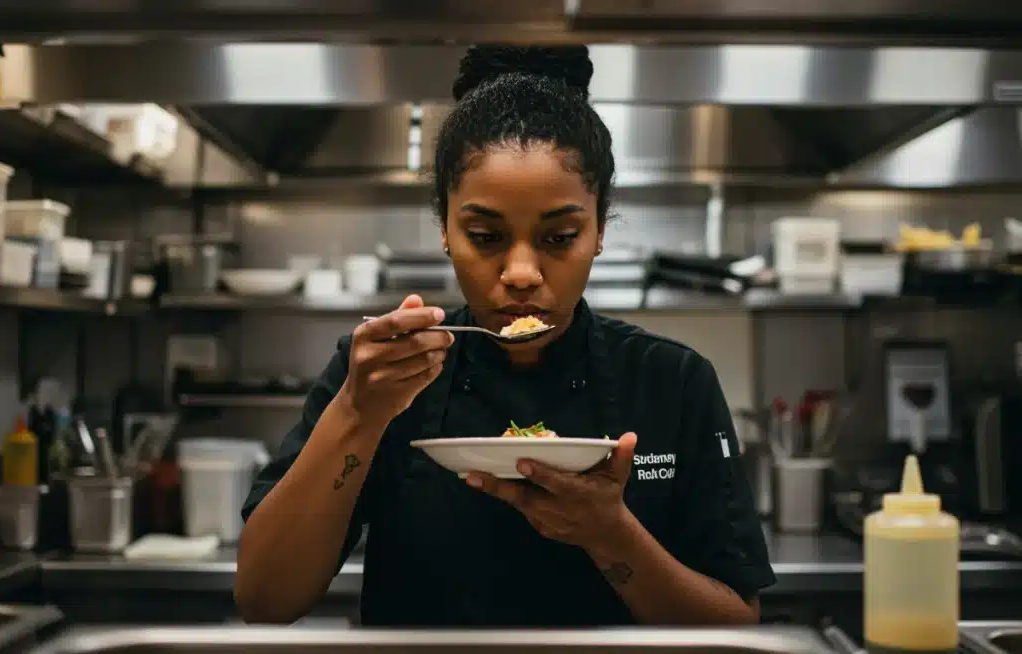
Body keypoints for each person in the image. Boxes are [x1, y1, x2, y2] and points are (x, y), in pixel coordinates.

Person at [235, 44, 775, 627]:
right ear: (445, 228)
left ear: (599, 229)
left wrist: (611, 535)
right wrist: (356, 415)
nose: (521, 274)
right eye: (486, 237)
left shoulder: (673, 381)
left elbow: (735, 625)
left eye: (559, 237)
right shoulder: (380, 373)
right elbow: (265, 601)